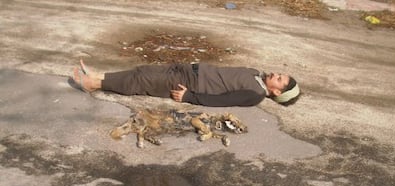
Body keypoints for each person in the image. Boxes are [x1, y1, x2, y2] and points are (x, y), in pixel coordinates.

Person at [72, 60, 300, 107]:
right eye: (280, 74)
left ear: (277, 91)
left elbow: (223, 100)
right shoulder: (256, 75)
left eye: (279, 79)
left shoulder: (255, 94)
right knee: (144, 70)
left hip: (189, 83)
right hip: (187, 69)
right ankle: (101, 76)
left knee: (142, 81)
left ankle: (92, 84)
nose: (276, 74)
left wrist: (190, 97)